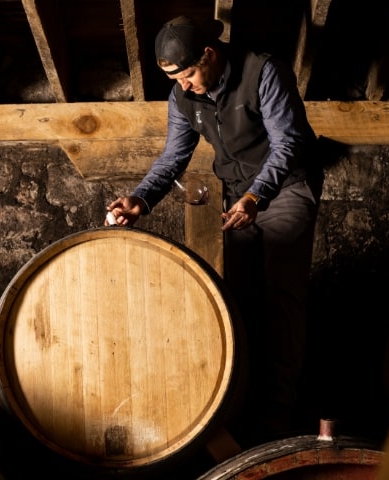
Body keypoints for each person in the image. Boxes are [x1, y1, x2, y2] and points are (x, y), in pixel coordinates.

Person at [105, 15, 323, 445]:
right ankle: (243, 409)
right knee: (238, 301)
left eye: (187, 75)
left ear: (209, 54)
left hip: (285, 188)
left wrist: (257, 197)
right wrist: (140, 199)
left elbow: (288, 143)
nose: (184, 86)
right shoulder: (182, 98)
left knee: (281, 297)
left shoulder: (264, 72)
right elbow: (172, 159)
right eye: (176, 79)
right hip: (239, 195)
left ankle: (278, 423)